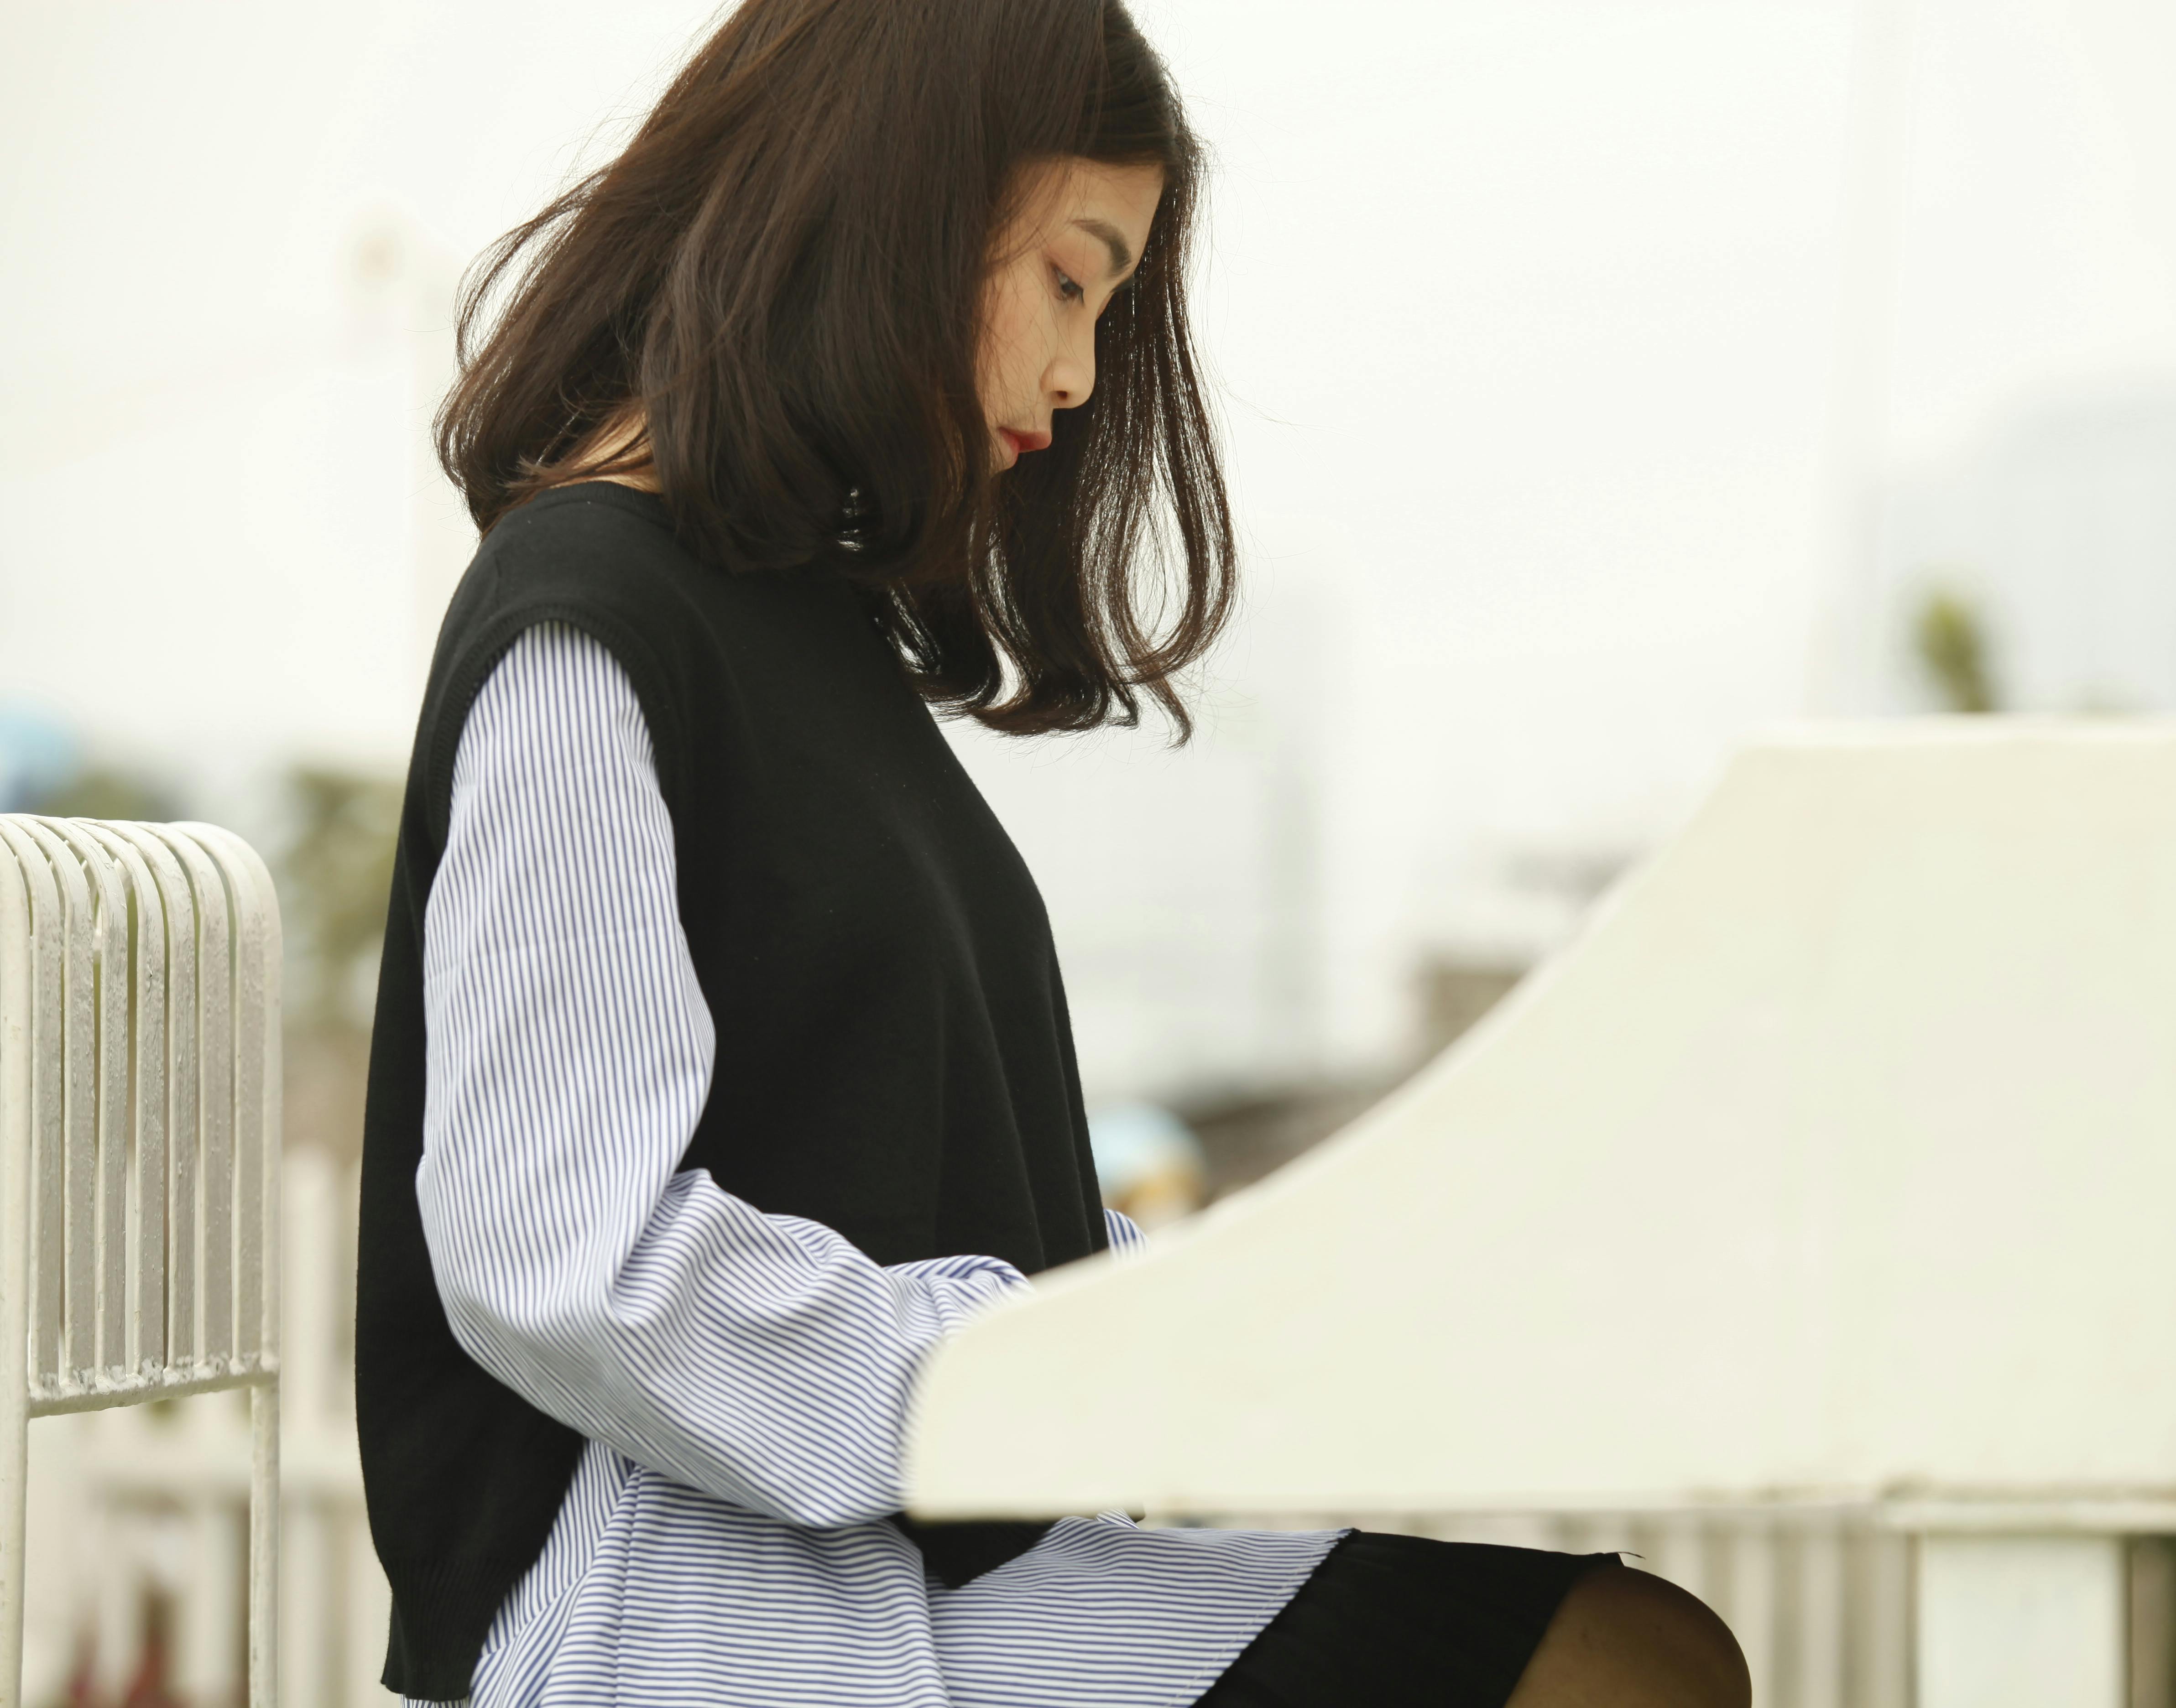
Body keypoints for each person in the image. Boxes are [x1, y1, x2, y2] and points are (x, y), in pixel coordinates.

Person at [354, 2, 1751, 1704]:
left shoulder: (798, 632)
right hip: (674, 1594)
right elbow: (551, 1252)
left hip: (874, 1558)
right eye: (1073, 280)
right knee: (1622, 1674)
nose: (1084, 373)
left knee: (1640, 1659)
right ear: (894, 215)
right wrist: (1024, 1374)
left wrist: (1172, 1321)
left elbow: (905, 1183)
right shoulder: (589, 620)